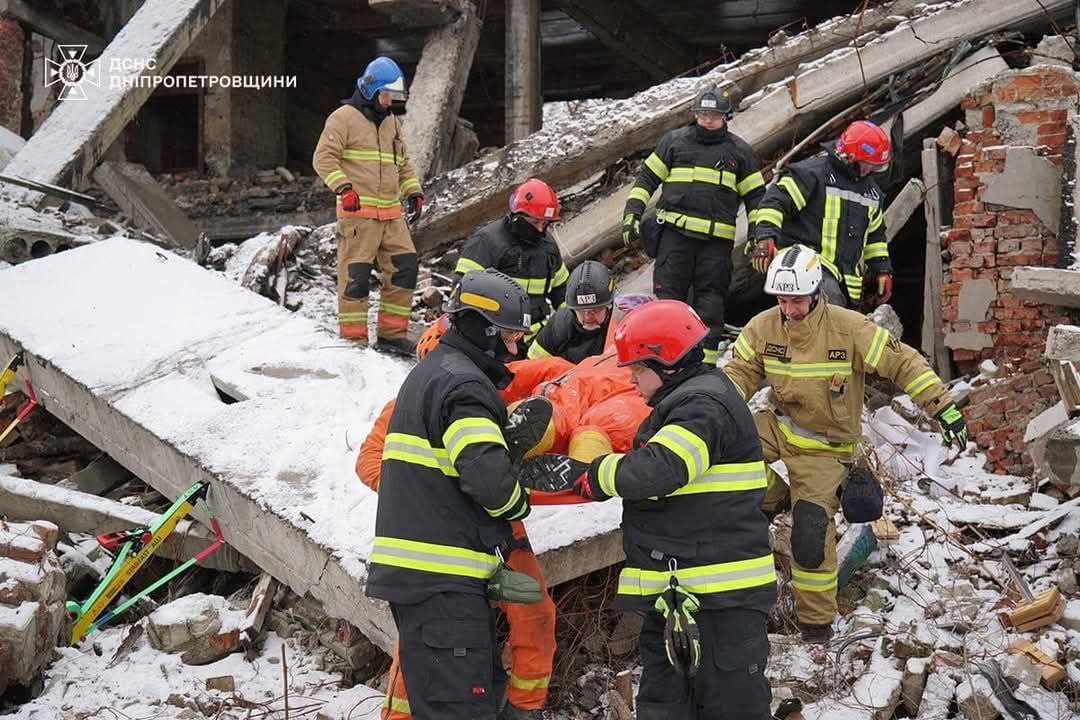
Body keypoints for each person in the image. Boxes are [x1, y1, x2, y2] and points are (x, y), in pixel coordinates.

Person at [521, 300, 777, 720]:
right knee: (664, 707)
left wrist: (597, 475)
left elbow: (662, 469)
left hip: (720, 603)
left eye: (638, 369)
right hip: (680, 597)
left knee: (731, 708)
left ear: (669, 361)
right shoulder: (684, 403)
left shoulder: (705, 406)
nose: (632, 379)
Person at [723, 245, 968, 643]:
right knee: (722, 449)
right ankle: (772, 496)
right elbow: (737, 375)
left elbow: (903, 361)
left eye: (797, 300)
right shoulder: (763, 327)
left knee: (810, 534)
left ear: (815, 291)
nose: (789, 309)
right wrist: (709, 413)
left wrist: (942, 406)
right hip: (777, 425)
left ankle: (816, 624)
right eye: (782, 299)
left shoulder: (849, 329)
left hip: (825, 447)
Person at [356, 315, 557, 720]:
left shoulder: (485, 386)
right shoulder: (412, 403)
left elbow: (545, 372)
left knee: (531, 614)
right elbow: (371, 463)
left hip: (494, 530)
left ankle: (523, 705)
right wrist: (428, 491)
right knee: (434, 647)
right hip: (446, 538)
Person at [622, 86, 765, 365]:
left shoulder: (740, 153)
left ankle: (705, 366)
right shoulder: (674, 142)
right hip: (675, 238)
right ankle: (663, 361)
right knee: (668, 301)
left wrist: (758, 234)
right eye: (702, 114)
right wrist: (632, 214)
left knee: (710, 304)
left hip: (715, 245)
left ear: (726, 116)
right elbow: (646, 181)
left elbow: (756, 197)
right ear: (695, 114)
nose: (708, 120)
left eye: (714, 115)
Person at [313, 56, 424, 356]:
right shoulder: (343, 118)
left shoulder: (391, 122)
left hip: (391, 214)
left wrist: (413, 191)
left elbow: (402, 163)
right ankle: (353, 342)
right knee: (356, 279)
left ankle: (391, 336)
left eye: (393, 97)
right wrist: (343, 188)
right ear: (370, 90)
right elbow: (323, 159)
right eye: (386, 95)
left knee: (404, 269)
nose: (389, 102)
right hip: (357, 217)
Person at [748, 120, 892, 309]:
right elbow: (774, 203)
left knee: (841, 327)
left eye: (875, 167)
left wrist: (881, 269)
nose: (868, 171)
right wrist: (765, 238)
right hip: (803, 268)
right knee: (827, 316)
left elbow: (875, 238)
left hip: (845, 284)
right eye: (865, 164)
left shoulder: (872, 193)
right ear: (849, 156)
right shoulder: (812, 175)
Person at [455, 179, 569, 347]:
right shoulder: (486, 242)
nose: (539, 230)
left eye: (544, 223)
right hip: (495, 338)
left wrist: (569, 323)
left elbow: (563, 291)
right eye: (534, 222)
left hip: (537, 339)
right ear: (517, 215)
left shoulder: (548, 247)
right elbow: (461, 292)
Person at [527, 261, 614, 363]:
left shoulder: (622, 320)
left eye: (595, 309)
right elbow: (531, 365)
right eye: (581, 310)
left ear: (609, 305)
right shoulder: (558, 327)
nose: (587, 316)